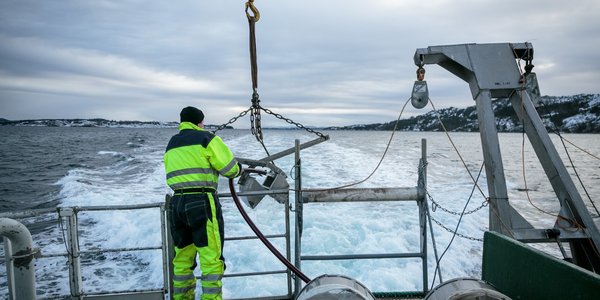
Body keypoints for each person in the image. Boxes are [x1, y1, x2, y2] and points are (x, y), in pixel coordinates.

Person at [164, 106, 241, 300]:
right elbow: (230, 169)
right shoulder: (206, 138)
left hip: (177, 203)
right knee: (211, 260)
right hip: (201, 203)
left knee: (182, 260)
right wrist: (238, 169)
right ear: (199, 122)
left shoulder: (172, 143)